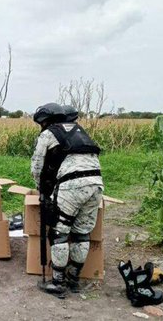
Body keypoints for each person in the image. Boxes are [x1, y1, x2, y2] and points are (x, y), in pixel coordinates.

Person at [31, 103, 104, 296]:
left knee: (59, 233)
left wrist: (42, 191)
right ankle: (74, 279)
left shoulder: (48, 134)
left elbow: (37, 167)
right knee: (81, 233)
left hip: (72, 186)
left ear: (46, 121)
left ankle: (58, 283)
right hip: (96, 184)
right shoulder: (80, 131)